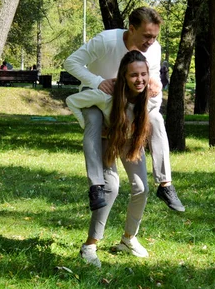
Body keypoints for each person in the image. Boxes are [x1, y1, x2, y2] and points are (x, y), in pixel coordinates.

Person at [64, 6, 184, 213]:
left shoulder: (154, 49)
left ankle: (165, 184)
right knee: (93, 121)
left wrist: (155, 82)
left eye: (155, 36)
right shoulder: (106, 41)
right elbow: (71, 62)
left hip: (126, 103)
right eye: (147, 36)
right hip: (97, 99)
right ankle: (96, 186)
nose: (151, 42)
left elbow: (152, 74)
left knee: (155, 118)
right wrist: (97, 81)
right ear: (131, 29)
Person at [78, 51, 152, 267]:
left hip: (131, 139)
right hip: (106, 137)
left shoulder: (151, 93)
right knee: (111, 187)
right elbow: (75, 102)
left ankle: (128, 238)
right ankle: (89, 246)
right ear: (123, 77)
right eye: (133, 75)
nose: (139, 80)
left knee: (141, 187)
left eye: (143, 74)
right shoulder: (108, 95)